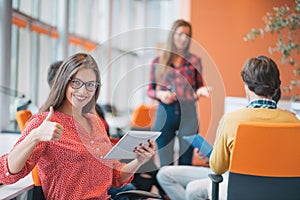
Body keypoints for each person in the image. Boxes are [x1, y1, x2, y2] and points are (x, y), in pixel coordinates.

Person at [0, 53, 156, 200]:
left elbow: (115, 177)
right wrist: (34, 136)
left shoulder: (95, 122)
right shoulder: (45, 122)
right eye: (76, 82)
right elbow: (7, 174)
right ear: (64, 82)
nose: (83, 91)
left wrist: (139, 161)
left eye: (90, 85)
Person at [156, 55, 300, 200]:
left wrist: (213, 155)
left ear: (246, 85)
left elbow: (218, 168)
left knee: (187, 187)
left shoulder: (232, 120)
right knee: (173, 178)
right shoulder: (294, 122)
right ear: (276, 89)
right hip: (280, 192)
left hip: (238, 187)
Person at [147, 19, 210, 166]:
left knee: (186, 162)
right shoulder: (158, 61)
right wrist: (161, 95)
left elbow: (199, 86)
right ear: (172, 35)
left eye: (187, 36)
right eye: (180, 34)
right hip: (165, 113)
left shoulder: (195, 60)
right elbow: (150, 90)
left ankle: (182, 189)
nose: (183, 39)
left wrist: (201, 91)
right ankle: (165, 190)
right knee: (165, 163)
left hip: (188, 113)